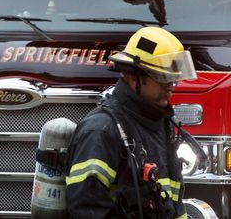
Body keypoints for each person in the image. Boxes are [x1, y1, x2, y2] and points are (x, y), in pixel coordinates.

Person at [65, 26, 197, 219]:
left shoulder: (161, 125)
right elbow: (87, 209)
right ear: (134, 77)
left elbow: (173, 206)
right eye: (163, 78)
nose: (171, 86)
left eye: (173, 79)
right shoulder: (102, 131)